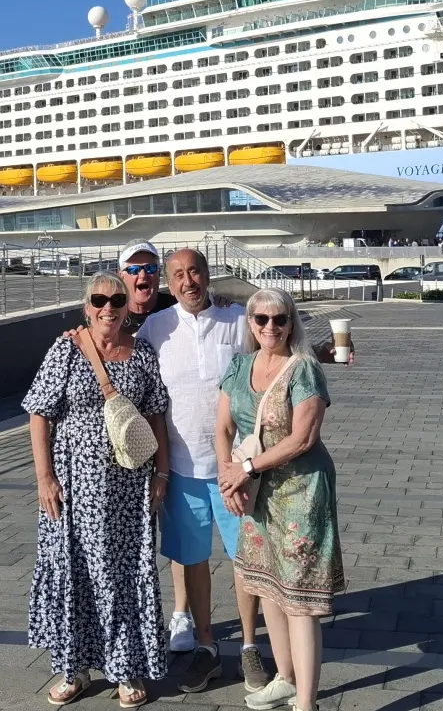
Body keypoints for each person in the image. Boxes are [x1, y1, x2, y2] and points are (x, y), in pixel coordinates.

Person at [24, 273, 170, 707]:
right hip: (73, 488)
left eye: (116, 299)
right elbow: (38, 414)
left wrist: (162, 474)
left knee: (125, 575)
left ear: (127, 306)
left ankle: (125, 669)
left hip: (128, 486)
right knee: (76, 573)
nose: (108, 307)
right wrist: (44, 476)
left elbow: (156, 414)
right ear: (87, 306)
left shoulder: (141, 353)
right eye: (99, 299)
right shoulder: (67, 348)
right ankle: (74, 670)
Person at [136, 248, 265, 694]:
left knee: (245, 560)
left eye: (195, 272)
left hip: (235, 470)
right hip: (182, 469)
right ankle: (206, 645)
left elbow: (276, 351)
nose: (188, 281)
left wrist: (324, 353)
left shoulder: (237, 319)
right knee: (191, 561)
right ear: (169, 283)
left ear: (208, 275)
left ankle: (249, 646)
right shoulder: (155, 328)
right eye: (178, 275)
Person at [215, 287, 344, 711]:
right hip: (257, 494)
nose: (271, 327)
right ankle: (285, 678)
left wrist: (245, 470)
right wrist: (227, 475)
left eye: (280, 319)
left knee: (300, 598)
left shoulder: (304, 369)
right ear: (250, 323)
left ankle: (307, 702)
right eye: (261, 319)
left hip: (300, 493)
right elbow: (222, 429)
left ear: (292, 322)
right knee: (267, 584)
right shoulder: (239, 366)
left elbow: (303, 439)